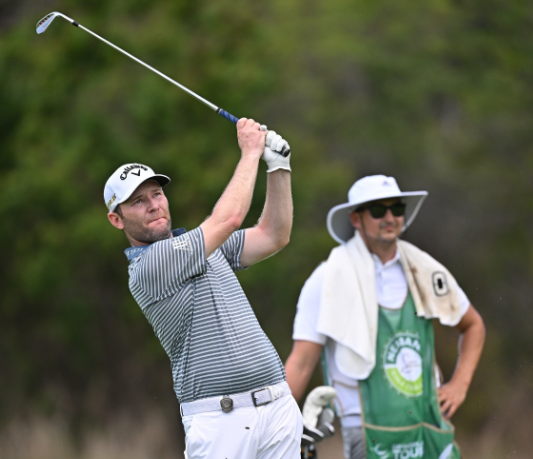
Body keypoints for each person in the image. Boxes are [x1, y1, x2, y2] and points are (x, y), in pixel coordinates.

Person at [104, 119, 303, 459]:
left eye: (156, 193)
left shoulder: (202, 246)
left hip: (278, 407)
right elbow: (229, 219)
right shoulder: (149, 267)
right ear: (117, 219)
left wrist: (278, 167)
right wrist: (250, 153)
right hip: (220, 422)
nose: (153, 204)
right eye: (137, 201)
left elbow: (274, 235)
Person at [285, 175, 486, 459]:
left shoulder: (425, 269)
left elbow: (473, 325)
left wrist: (459, 386)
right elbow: (302, 361)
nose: (390, 217)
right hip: (365, 433)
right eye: (379, 210)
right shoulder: (328, 277)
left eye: (397, 209)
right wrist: (277, 424)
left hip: (426, 425)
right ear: (356, 219)